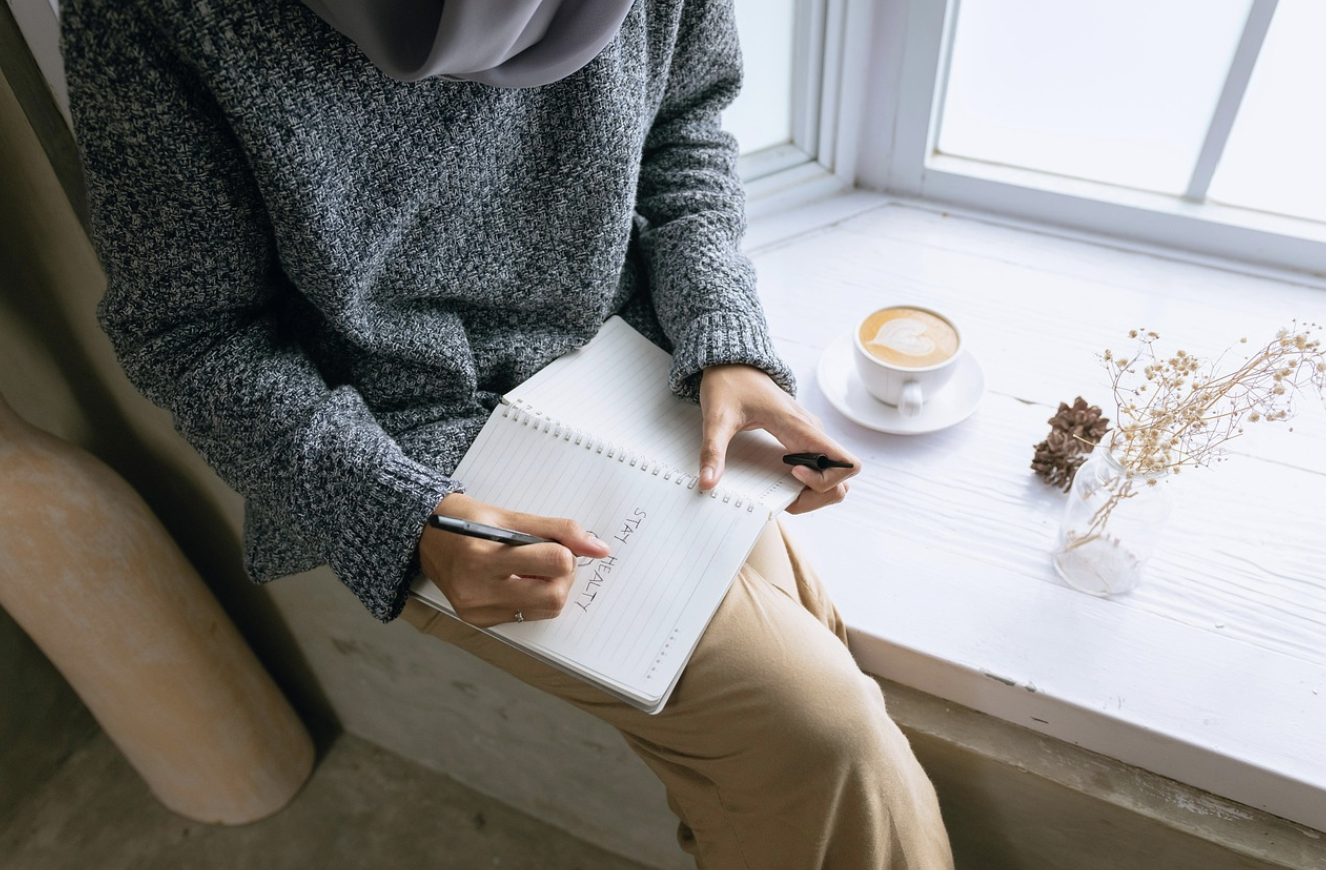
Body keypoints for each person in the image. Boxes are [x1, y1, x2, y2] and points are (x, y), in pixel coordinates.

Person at [61, 0, 954, 866]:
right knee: (820, 736)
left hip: (626, 358)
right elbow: (191, 331)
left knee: (805, 737)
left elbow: (684, 126)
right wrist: (401, 518)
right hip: (407, 441)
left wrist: (726, 344)